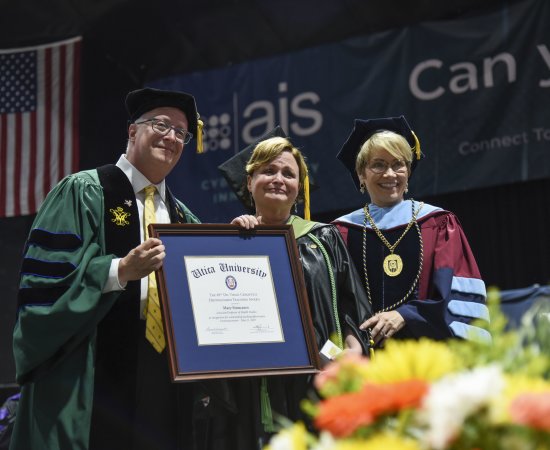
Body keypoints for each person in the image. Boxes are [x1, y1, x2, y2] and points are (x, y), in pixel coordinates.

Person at [10, 87, 202, 450]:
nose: (172, 137)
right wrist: (119, 271)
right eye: (161, 124)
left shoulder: (184, 218)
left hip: (164, 377)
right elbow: (43, 287)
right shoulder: (84, 191)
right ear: (132, 131)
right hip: (91, 367)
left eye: (181, 132)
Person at [213, 128, 373, 449]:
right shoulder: (232, 242)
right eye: (268, 170)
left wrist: (354, 353)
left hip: (320, 376)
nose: (278, 179)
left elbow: (352, 304)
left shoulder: (323, 238)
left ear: (298, 189)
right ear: (249, 182)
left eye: (288, 173)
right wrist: (231, 246)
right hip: (256, 382)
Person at [333, 115, 490, 346]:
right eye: (378, 164)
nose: (389, 174)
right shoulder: (341, 233)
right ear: (361, 174)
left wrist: (406, 315)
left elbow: (454, 297)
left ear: (408, 173)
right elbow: (332, 304)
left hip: (429, 357)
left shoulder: (438, 224)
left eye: (398, 164)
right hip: (366, 359)